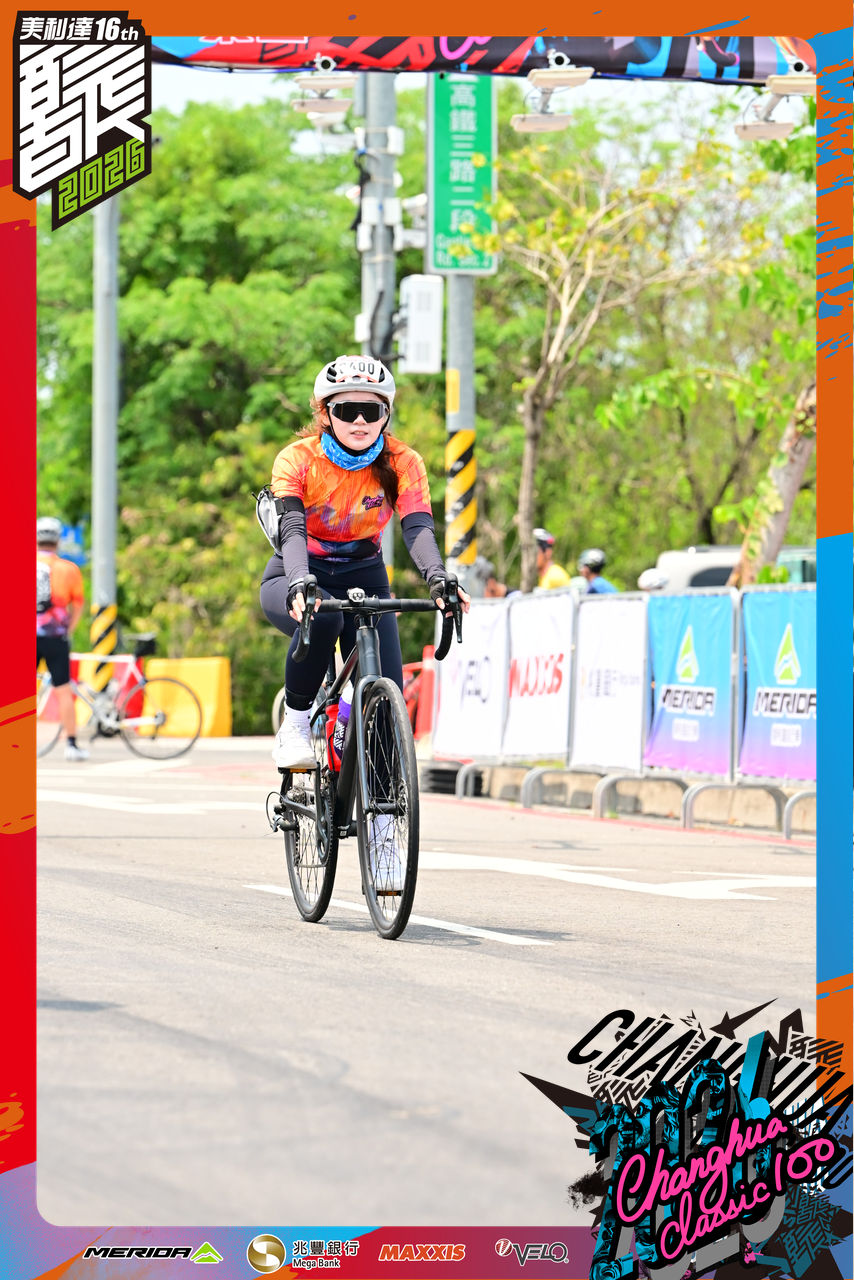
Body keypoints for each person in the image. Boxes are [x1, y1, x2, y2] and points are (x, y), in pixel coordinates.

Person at [260, 354, 470, 780]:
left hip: (364, 572)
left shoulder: (403, 461)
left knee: (386, 695)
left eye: (371, 411)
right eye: (347, 409)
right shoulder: (297, 459)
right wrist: (299, 581)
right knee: (323, 619)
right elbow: (293, 528)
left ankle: (383, 802)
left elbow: (417, 527)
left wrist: (437, 577)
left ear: (385, 415)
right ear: (325, 414)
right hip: (298, 568)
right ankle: (296, 724)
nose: (360, 420)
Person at [36, 516, 89, 761]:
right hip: (56, 637)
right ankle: (71, 744)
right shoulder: (69, 569)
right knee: (63, 690)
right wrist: (69, 629)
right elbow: (78, 604)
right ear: (57, 541)